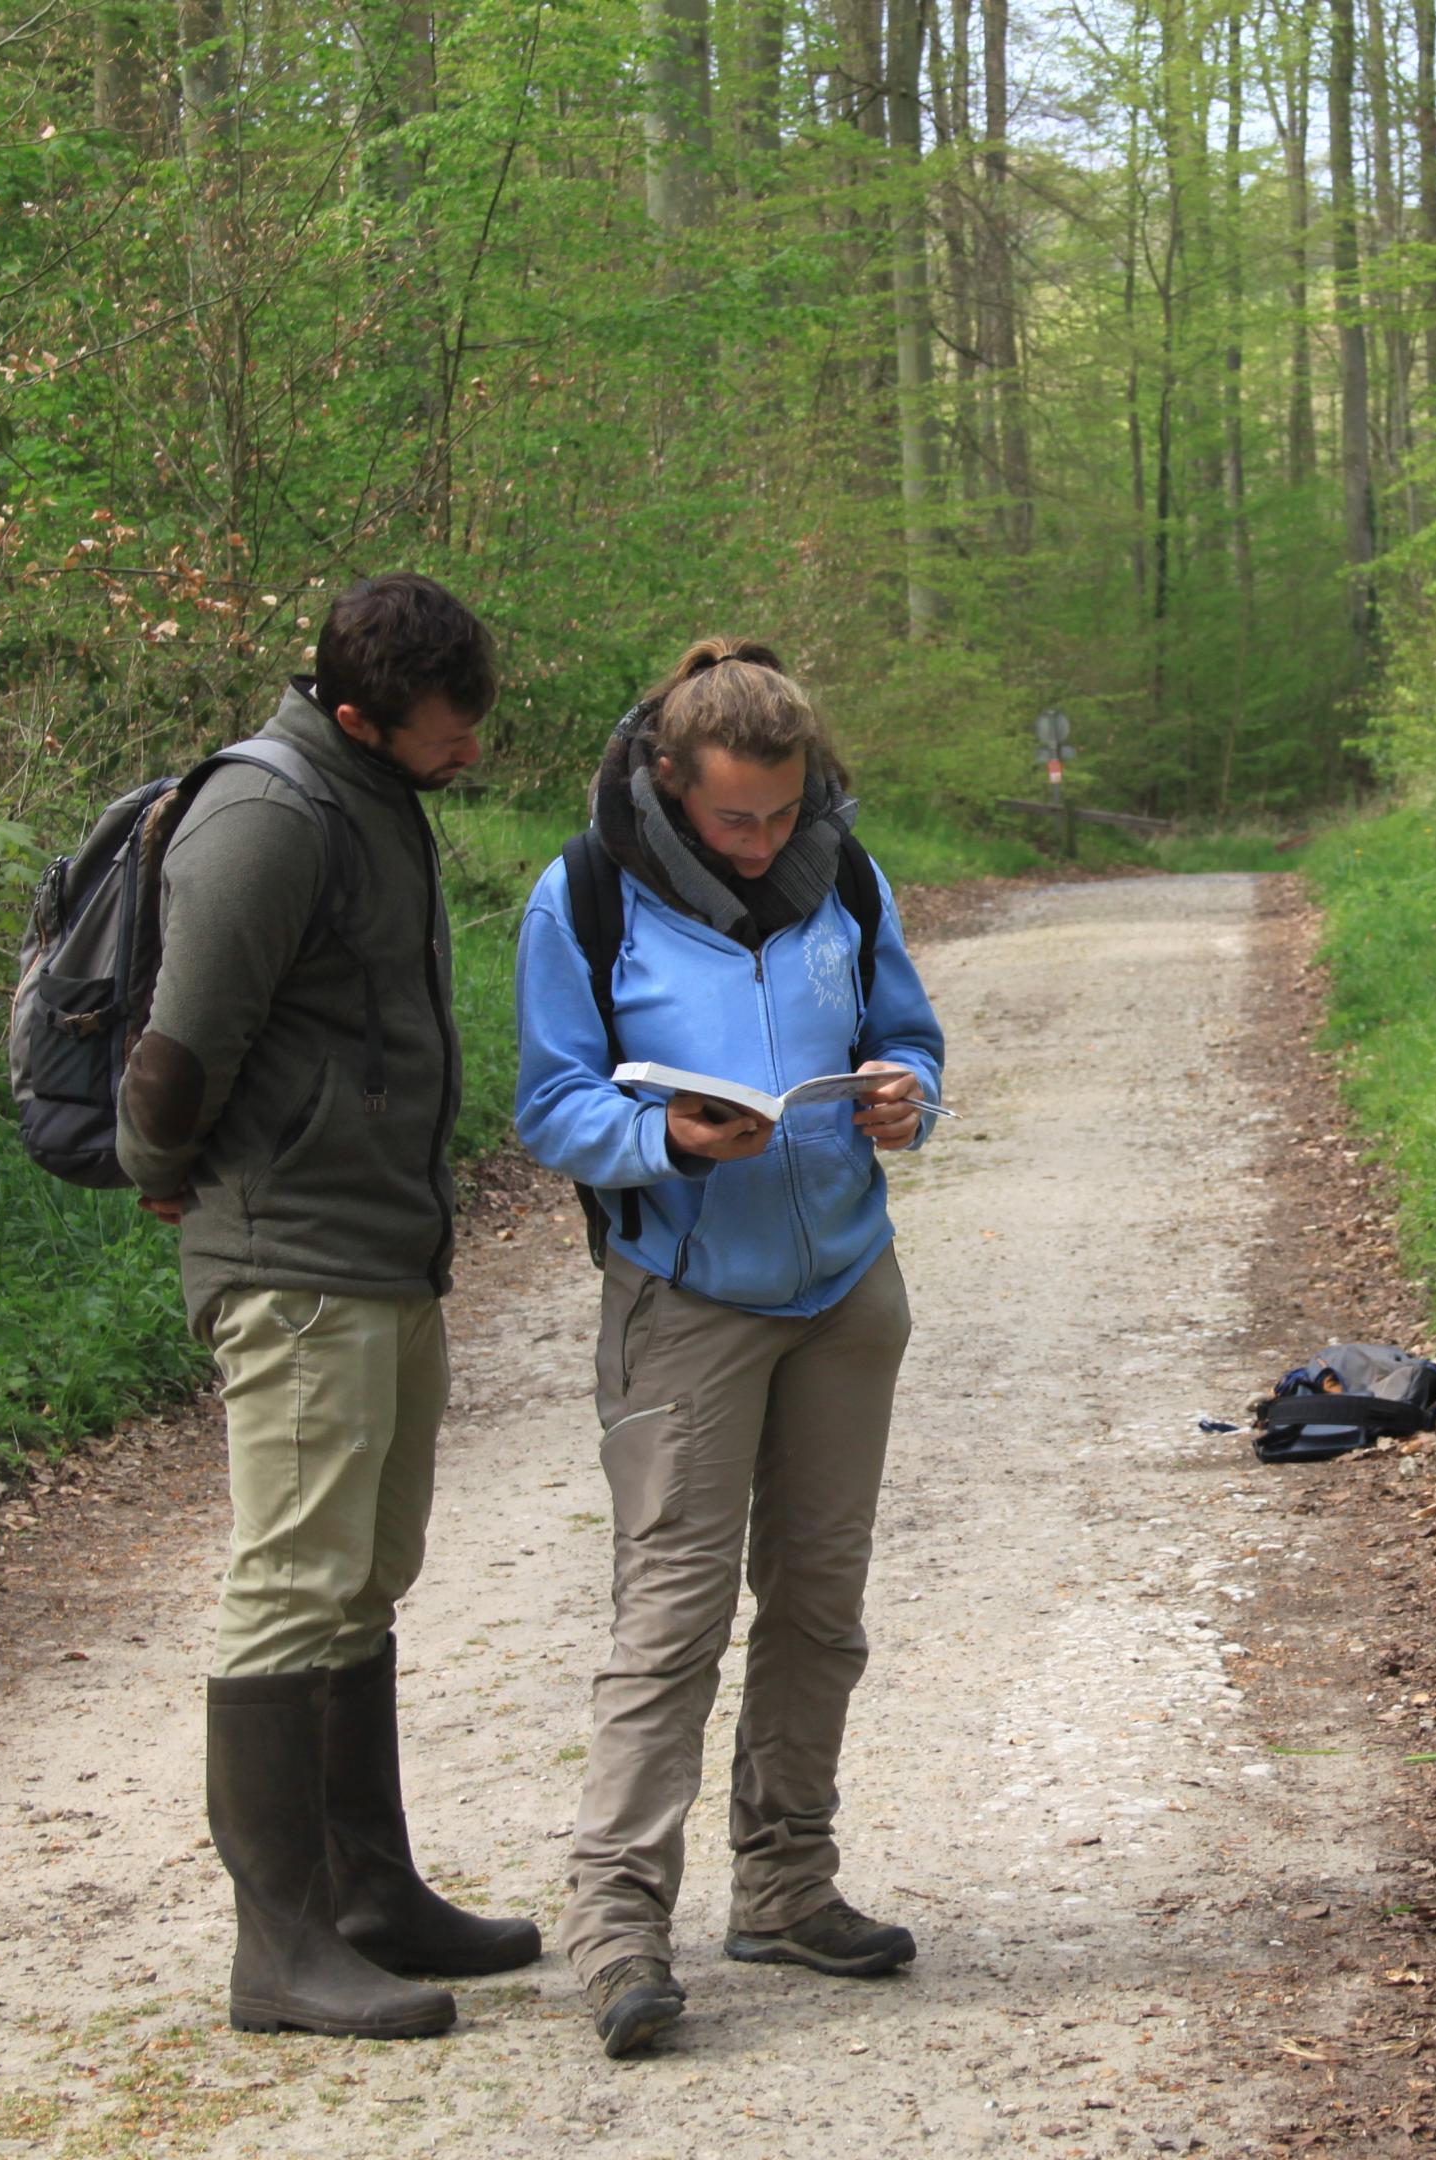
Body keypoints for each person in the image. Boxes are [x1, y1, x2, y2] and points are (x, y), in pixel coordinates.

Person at [117, 573, 540, 2040]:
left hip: (381, 1250)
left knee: (366, 1570)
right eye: (445, 731)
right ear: (360, 713)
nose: (468, 751)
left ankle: (372, 1894)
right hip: (291, 1256)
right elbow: (182, 1047)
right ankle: (281, 1946)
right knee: (291, 1581)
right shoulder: (269, 814)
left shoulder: (370, 789)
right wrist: (163, 1177)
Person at [514, 638, 945, 2060]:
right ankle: (620, 1928)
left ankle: (788, 1887)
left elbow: (909, 1031)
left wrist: (905, 1094)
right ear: (667, 785)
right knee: (672, 1621)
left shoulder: (848, 874)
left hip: (844, 1287)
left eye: (783, 810)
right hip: (683, 1293)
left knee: (820, 1606)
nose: (761, 842)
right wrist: (664, 1140)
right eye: (732, 819)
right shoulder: (583, 896)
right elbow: (551, 1106)